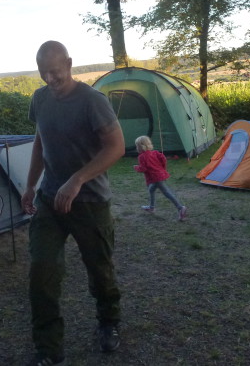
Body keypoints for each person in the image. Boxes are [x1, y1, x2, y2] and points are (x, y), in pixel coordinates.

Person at [21, 41, 125, 366]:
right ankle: (49, 350)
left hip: (90, 201)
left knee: (100, 270)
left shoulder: (93, 101)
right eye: (43, 73)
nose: (50, 79)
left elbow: (116, 147)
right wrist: (29, 185)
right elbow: (41, 141)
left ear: (69, 63)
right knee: (42, 271)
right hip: (49, 199)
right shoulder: (39, 98)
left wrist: (78, 179)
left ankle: (108, 321)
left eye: (55, 71)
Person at [133, 135, 187, 221]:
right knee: (151, 189)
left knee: (166, 192)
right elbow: (163, 159)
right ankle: (151, 207)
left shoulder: (142, 157)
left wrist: (136, 167)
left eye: (137, 146)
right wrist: (162, 169)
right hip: (160, 175)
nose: (136, 148)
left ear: (141, 147)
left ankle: (180, 208)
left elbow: (144, 168)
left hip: (156, 178)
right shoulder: (155, 152)